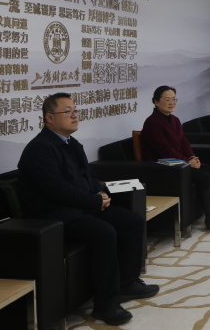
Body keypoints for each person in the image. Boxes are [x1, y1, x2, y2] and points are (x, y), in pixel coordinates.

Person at [18, 93, 159, 326]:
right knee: (104, 232)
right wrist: (93, 201)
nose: (74, 115)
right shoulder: (39, 149)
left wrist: (99, 194)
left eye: (75, 110)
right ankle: (105, 304)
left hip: (80, 207)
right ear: (49, 118)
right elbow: (56, 190)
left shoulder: (72, 143)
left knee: (133, 221)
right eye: (68, 111)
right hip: (53, 215)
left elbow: (89, 176)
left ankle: (127, 284)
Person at [140, 86, 210, 233]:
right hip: (163, 167)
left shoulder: (175, 120)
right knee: (202, 176)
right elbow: (164, 151)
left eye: (174, 99)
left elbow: (184, 142)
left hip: (181, 163)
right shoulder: (152, 123)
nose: (172, 103)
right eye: (167, 100)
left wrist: (192, 157)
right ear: (156, 102)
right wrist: (187, 163)